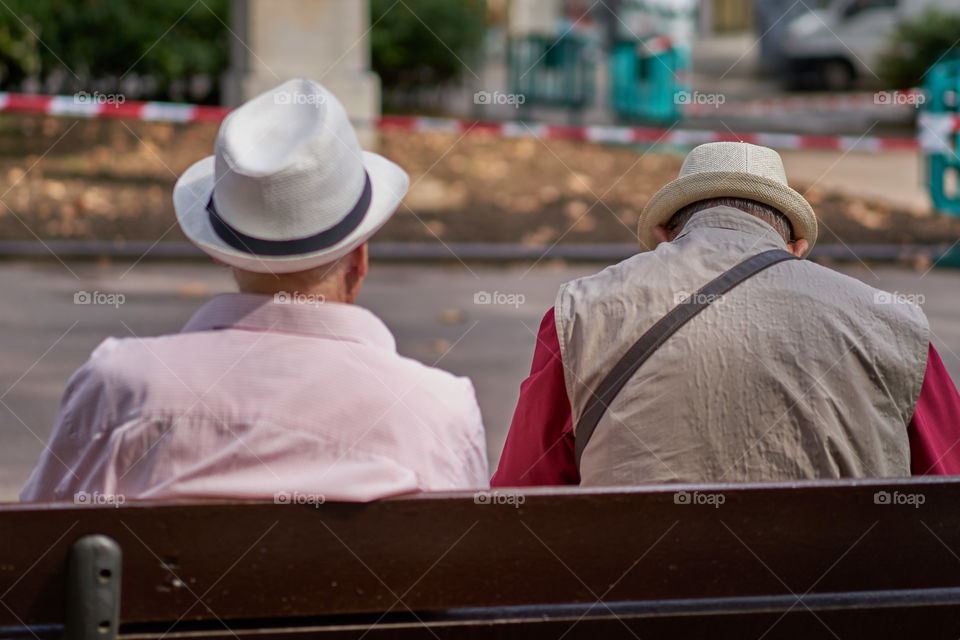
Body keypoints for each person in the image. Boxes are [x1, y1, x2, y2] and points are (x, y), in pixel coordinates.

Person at [22, 79, 488, 503]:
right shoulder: (437, 412)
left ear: (222, 254)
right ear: (359, 261)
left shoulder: (119, 389)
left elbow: (37, 555)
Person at [493, 141, 960, 487]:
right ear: (795, 249)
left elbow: (525, 489)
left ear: (663, 235)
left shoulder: (578, 312)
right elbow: (947, 480)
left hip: (636, 613)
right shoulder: (894, 325)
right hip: (836, 615)